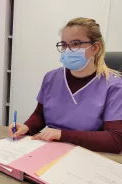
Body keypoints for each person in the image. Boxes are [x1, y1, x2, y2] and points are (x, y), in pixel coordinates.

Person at [9, 17, 122, 153]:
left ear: (95, 48)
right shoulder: (51, 78)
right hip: (49, 150)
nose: (68, 50)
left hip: (89, 154)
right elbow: (40, 115)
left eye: (75, 44)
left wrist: (62, 134)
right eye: (63, 44)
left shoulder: (113, 86)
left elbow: (115, 140)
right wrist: (27, 127)